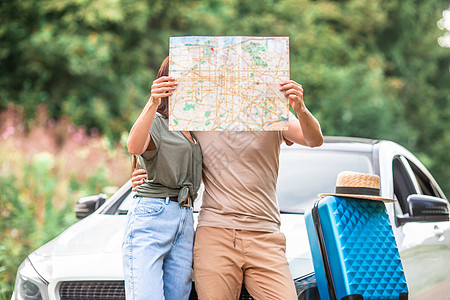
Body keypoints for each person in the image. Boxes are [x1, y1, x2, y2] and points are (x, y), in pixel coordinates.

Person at [131, 65, 323, 300]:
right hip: (215, 233)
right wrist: (142, 176)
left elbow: (314, 140)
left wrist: (300, 108)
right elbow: (162, 150)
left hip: (264, 234)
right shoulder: (200, 118)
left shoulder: (271, 113)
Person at [122, 56, 202, 300]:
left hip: (185, 219)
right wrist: (153, 102)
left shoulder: (197, 125)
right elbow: (134, 147)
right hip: (153, 215)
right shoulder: (157, 120)